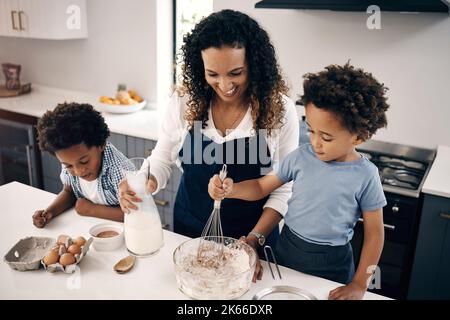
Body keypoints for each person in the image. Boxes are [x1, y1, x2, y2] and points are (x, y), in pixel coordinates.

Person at [119, 9, 299, 267]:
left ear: (255, 66)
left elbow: (284, 188)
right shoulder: (184, 102)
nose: (225, 85)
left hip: (251, 237)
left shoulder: (279, 110)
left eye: (236, 73)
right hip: (189, 230)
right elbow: (161, 159)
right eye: (213, 74)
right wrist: (141, 184)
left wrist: (254, 240)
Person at [209, 62, 389, 299]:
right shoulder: (301, 157)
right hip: (286, 253)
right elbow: (262, 186)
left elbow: (375, 234)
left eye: (326, 137)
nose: (315, 142)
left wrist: (359, 284)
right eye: (311, 130)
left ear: (359, 136)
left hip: (333, 265)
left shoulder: (366, 175)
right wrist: (231, 189)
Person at [33, 102, 133, 228]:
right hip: (88, 227)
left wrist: (91, 210)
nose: (79, 171)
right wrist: (50, 212)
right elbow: (69, 192)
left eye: (84, 161)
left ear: (101, 144)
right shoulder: (70, 158)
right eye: (68, 166)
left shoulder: (121, 171)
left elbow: (136, 212)